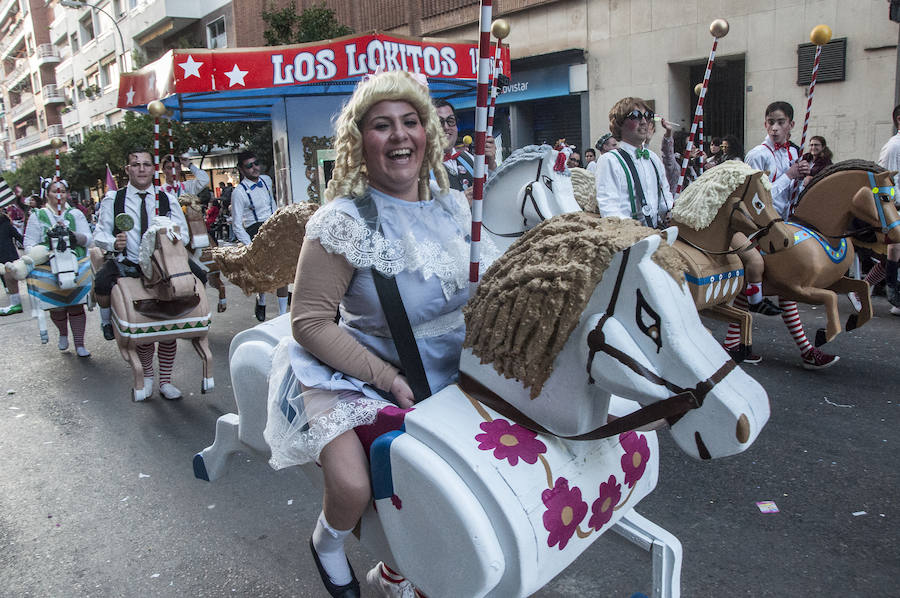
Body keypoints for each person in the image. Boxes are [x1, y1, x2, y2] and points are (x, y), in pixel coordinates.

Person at [264, 70, 473, 598]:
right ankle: (328, 541)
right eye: (382, 125)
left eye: (410, 122)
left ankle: (404, 568)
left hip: (452, 367)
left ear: (429, 133)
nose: (400, 135)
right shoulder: (340, 222)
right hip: (358, 370)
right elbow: (309, 323)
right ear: (360, 142)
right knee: (356, 486)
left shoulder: (456, 206)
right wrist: (386, 375)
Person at [724, 100, 837, 369]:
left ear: (791, 125)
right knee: (779, 286)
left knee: (784, 287)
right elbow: (755, 201)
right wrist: (788, 176)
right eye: (770, 122)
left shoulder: (793, 153)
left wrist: (801, 179)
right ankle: (806, 351)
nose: (775, 128)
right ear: (765, 124)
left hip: (783, 228)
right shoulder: (757, 155)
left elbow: (789, 198)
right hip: (757, 229)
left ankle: (734, 344)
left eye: (781, 122)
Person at [93, 147, 193, 399]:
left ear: (153, 169)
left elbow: (185, 234)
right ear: (127, 169)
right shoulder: (113, 200)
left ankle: (166, 381)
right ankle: (145, 372)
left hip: (163, 270)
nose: (141, 169)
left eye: (146, 164)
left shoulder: (165, 199)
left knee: (168, 324)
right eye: (135, 164)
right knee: (104, 285)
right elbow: (99, 234)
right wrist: (112, 243)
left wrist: (172, 236)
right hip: (129, 266)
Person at [23, 179, 93, 356]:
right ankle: (62, 333)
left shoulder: (75, 214)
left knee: (76, 305)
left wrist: (74, 236)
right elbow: (28, 244)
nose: (59, 195)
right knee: (57, 306)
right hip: (49, 266)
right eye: (55, 191)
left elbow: (89, 239)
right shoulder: (38, 215)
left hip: (74, 263)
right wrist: (47, 249)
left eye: (62, 191)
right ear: (47, 194)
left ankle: (80, 344)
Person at [594, 98, 673, 229]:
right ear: (619, 124)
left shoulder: (653, 158)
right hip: (628, 239)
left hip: (657, 234)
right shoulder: (609, 160)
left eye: (647, 116)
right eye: (636, 116)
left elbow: (665, 201)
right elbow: (610, 210)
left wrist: (671, 212)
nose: (644, 122)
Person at [230, 151, 288, 322]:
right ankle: (261, 300)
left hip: (274, 227)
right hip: (255, 231)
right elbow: (236, 224)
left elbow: (273, 203)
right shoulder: (239, 193)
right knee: (263, 274)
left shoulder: (267, 181)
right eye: (249, 165)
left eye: (256, 163)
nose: (254, 168)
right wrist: (250, 245)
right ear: (241, 169)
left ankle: (282, 315)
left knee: (282, 271)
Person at [433, 99, 496, 196]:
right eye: (439, 122)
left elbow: (492, 187)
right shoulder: (420, 168)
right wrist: (462, 202)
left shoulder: (467, 157)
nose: (446, 127)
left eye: (451, 121)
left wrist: (490, 161)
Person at [876, 104, 900, 314]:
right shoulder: (894, 146)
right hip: (897, 207)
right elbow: (885, 181)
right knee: (893, 250)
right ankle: (892, 292)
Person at [0, 210, 23, 315]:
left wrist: (29, 247)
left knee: (10, 277)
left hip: (8, 254)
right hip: (4, 255)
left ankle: (16, 303)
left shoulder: (6, 225)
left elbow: (18, 237)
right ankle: (15, 302)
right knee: (7, 277)